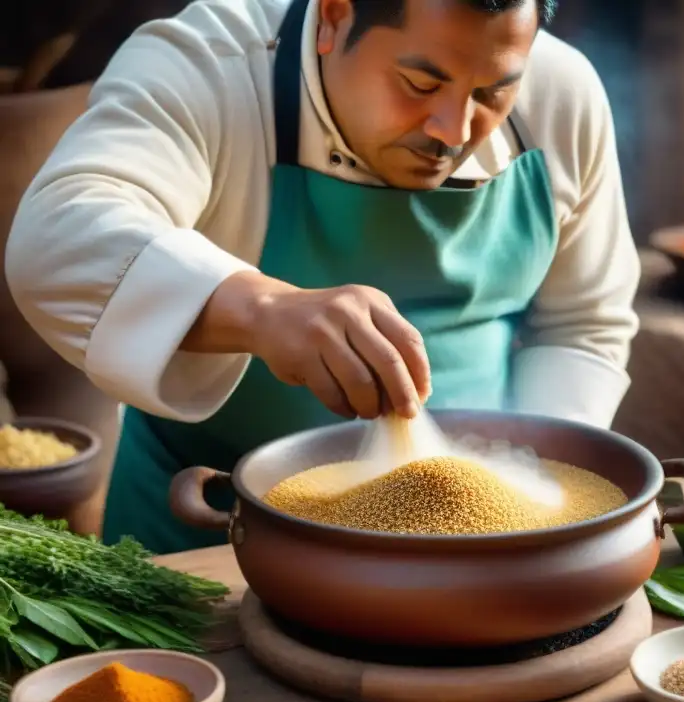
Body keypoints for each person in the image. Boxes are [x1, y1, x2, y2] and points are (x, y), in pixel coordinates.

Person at [5, 0, 641, 554]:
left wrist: (530, 497)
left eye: (491, 95)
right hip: (207, 527)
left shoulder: (561, 92)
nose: (453, 132)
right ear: (335, 15)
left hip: (481, 541)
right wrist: (262, 309)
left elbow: (584, 323)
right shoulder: (207, 63)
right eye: (420, 83)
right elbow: (58, 233)